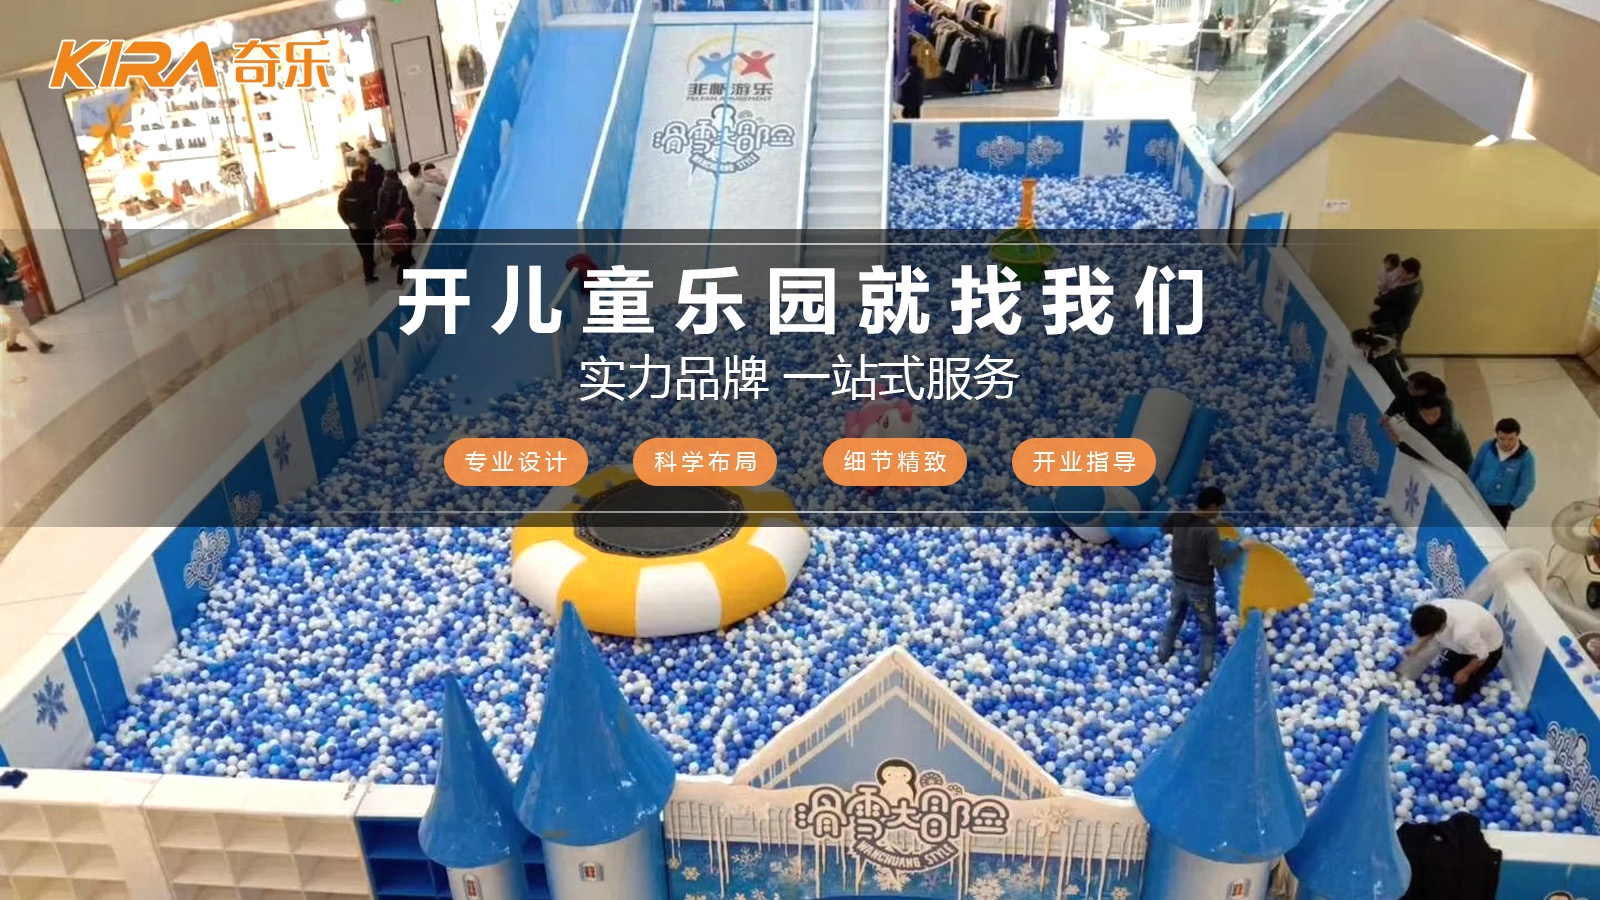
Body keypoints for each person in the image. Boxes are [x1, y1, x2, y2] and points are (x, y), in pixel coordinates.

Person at [1158, 486, 1254, 683]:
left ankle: (1162, 656)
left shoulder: (1180, 517)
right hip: (1200, 588)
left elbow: (1164, 528)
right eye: (1218, 508)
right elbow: (1221, 562)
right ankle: (1203, 676)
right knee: (1208, 631)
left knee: (1175, 619)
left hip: (1178, 582)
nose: (1219, 512)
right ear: (1211, 506)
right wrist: (1240, 548)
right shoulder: (1209, 532)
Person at [1405, 600, 1504, 703]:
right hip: (1467, 645)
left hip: (1490, 648)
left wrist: (1465, 672)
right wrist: (1416, 648)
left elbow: (1482, 655)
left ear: (1440, 627)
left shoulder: (1464, 633)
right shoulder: (1432, 609)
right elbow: (1429, 632)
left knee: (1460, 695)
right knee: (1445, 672)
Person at [1468, 418, 1536, 528]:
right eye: (1502, 438)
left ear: (1517, 436)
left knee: (1494, 536)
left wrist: (1513, 505)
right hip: (1478, 499)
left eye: (1510, 439)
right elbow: (1475, 468)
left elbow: (1527, 484)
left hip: (1501, 507)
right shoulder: (1487, 447)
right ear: (1497, 435)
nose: (1506, 443)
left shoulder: (1526, 457)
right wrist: (1467, 489)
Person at [1387, 394, 1473, 472]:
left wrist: (1400, 444)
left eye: (1435, 413)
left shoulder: (1448, 431)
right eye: (1426, 414)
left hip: (1460, 470)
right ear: (1420, 411)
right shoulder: (1419, 411)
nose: (1430, 419)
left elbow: (1428, 454)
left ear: (1441, 409)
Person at [1369, 257, 1424, 369]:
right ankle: (1401, 367)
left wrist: (1381, 295)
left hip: (1393, 321)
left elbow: (1381, 300)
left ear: (1411, 274)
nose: (1399, 274)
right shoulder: (1418, 284)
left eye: (1403, 272)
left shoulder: (1405, 290)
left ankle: (1399, 368)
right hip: (1401, 320)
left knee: (1391, 346)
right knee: (1395, 345)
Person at [0, 239, 52, 353]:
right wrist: (10, 279)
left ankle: (11, 344)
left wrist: (21, 277)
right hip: (6, 297)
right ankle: (39, 344)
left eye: (1, 245)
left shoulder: (8, 258)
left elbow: (15, 272)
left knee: (14, 322)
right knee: (22, 322)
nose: (0, 248)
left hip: (15, 293)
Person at [336, 169, 379, 285]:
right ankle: (369, 276)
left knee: (363, 250)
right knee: (369, 250)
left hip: (355, 229)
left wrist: (349, 222)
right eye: (363, 177)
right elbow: (372, 209)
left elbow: (341, 210)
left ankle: (370, 266)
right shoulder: (366, 191)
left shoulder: (344, 193)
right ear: (360, 177)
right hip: (367, 226)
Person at [374, 169, 416, 286]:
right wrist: (412, 231)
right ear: (397, 176)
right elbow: (407, 205)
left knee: (396, 244)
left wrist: (380, 227)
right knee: (406, 245)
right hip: (402, 219)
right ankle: (402, 278)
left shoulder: (382, 190)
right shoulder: (401, 188)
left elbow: (379, 209)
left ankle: (398, 260)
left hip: (390, 224)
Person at [404, 162, 444, 238]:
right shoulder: (429, 186)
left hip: (422, 219)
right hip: (434, 218)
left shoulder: (409, 189)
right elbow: (444, 193)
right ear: (420, 170)